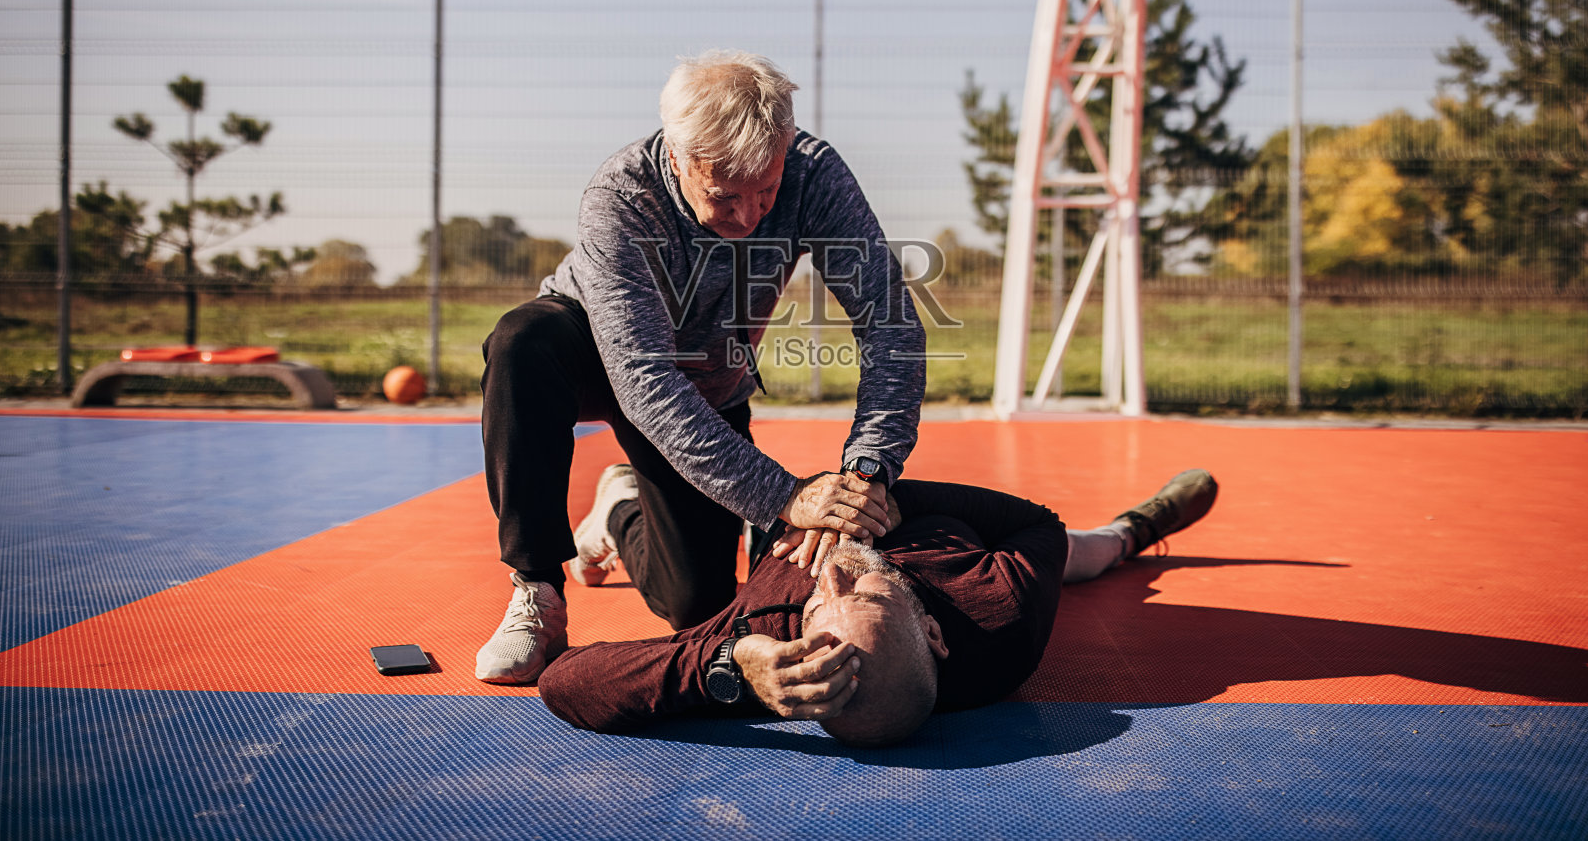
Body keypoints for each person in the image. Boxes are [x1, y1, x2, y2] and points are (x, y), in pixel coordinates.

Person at [476, 51, 927, 685]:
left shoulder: (813, 175)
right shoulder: (623, 193)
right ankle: (537, 593)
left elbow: (891, 324)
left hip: (706, 382)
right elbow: (644, 380)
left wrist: (869, 471)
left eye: (766, 190)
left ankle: (618, 508)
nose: (748, 216)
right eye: (725, 195)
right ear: (680, 159)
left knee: (698, 605)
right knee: (522, 340)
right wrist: (785, 497)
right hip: (599, 355)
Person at [538, 467, 1219, 747]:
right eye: (864, 594)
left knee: (682, 590)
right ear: (931, 630)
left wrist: (730, 663)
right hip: (944, 525)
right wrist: (889, 499)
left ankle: (617, 505)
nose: (831, 577)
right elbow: (1036, 524)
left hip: (780, 529)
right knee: (1081, 553)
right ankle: (1137, 526)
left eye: (818, 611)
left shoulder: (777, 645)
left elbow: (563, 680)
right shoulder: (997, 613)